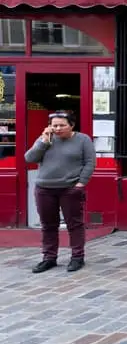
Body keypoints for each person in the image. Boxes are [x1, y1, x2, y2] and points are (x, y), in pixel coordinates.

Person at [24, 111, 95, 273]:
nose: (57, 128)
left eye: (62, 125)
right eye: (54, 125)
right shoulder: (46, 139)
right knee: (48, 225)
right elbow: (29, 158)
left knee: (74, 224)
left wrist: (80, 183)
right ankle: (49, 258)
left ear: (72, 125)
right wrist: (43, 141)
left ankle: (77, 257)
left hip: (69, 188)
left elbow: (90, 162)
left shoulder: (82, 139)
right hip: (44, 188)